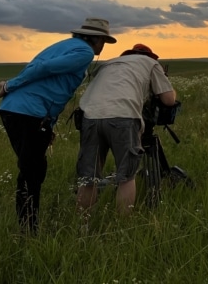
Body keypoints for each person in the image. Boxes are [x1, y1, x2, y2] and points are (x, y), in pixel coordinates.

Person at [0, 17, 116, 233]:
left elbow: (44, 73)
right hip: (28, 111)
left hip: (21, 111)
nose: (102, 46)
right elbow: (45, 69)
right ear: (96, 39)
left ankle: (28, 225)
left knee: (33, 168)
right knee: (32, 171)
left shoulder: (63, 45)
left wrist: (48, 123)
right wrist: (10, 85)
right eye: (103, 40)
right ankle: (29, 231)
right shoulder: (84, 52)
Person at [75, 43, 176, 215]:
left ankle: (83, 224)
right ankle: (123, 226)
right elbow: (168, 100)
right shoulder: (151, 64)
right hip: (123, 116)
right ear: (150, 56)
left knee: (88, 178)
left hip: (90, 116)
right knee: (127, 176)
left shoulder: (108, 64)